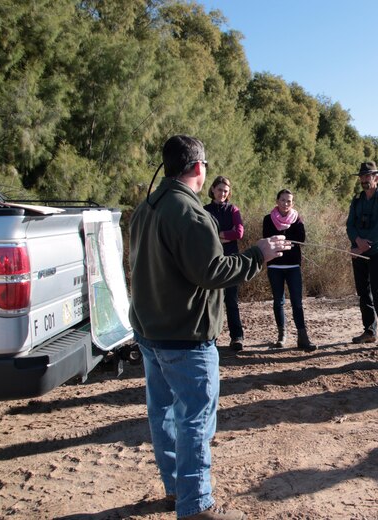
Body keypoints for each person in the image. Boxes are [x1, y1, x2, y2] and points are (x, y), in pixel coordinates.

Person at [130, 135, 290, 520]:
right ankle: (196, 505)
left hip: (150, 333)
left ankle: (175, 490)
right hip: (185, 338)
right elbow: (213, 272)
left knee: (164, 414)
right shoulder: (191, 214)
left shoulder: (144, 210)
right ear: (199, 168)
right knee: (194, 421)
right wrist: (259, 254)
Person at [346, 161, 378, 352]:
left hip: (377, 252)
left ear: (376, 177)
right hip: (358, 251)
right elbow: (350, 225)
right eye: (362, 176)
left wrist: (362, 246)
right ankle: (369, 331)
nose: (365, 180)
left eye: (368, 176)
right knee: (363, 293)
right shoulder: (357, 199)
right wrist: (357, 240)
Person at [262, 189, 316, 351]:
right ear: (277, 201)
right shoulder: (268, 219)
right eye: (283, 200)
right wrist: (287, 243)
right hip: (275, 265)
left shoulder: (297, 219)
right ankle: (282, 336)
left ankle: (302, 337)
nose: (286, 204)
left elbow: (301, 239)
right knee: (278, 301)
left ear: (292, 203)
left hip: (293, 266)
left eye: (289, 201)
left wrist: (282, 241)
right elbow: (268, 238)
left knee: (297, 302)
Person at [203, 176, 245, 351]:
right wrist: (222, 235)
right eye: (220, 189)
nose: (222, 193)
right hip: (211, 259)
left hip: (231, 260)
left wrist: (219, 235)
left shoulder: (233, 210)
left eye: (226, 191)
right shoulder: (204, 210)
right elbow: (203, 232)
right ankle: (210, 337)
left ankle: (237, 337)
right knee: (211, 300)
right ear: (213, 189)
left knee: (231, 300)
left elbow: (239, 232)